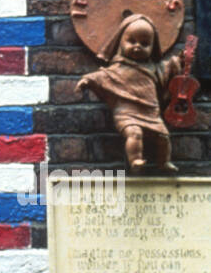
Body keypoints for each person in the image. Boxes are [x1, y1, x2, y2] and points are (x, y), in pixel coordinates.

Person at [76, 12, 183, 173]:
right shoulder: (116, 69)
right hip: (126, 112)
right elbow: (101, 76)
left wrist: (178, 61)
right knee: (134, 133)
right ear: (121, 42)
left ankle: (164, 162)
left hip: (151, 112)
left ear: (152, 47)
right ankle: (135, 160)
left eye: (145, 43)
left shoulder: (153, 68)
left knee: (163, 138)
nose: (137, 46)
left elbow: (166, 70)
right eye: (131, 41)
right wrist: (87, 81)